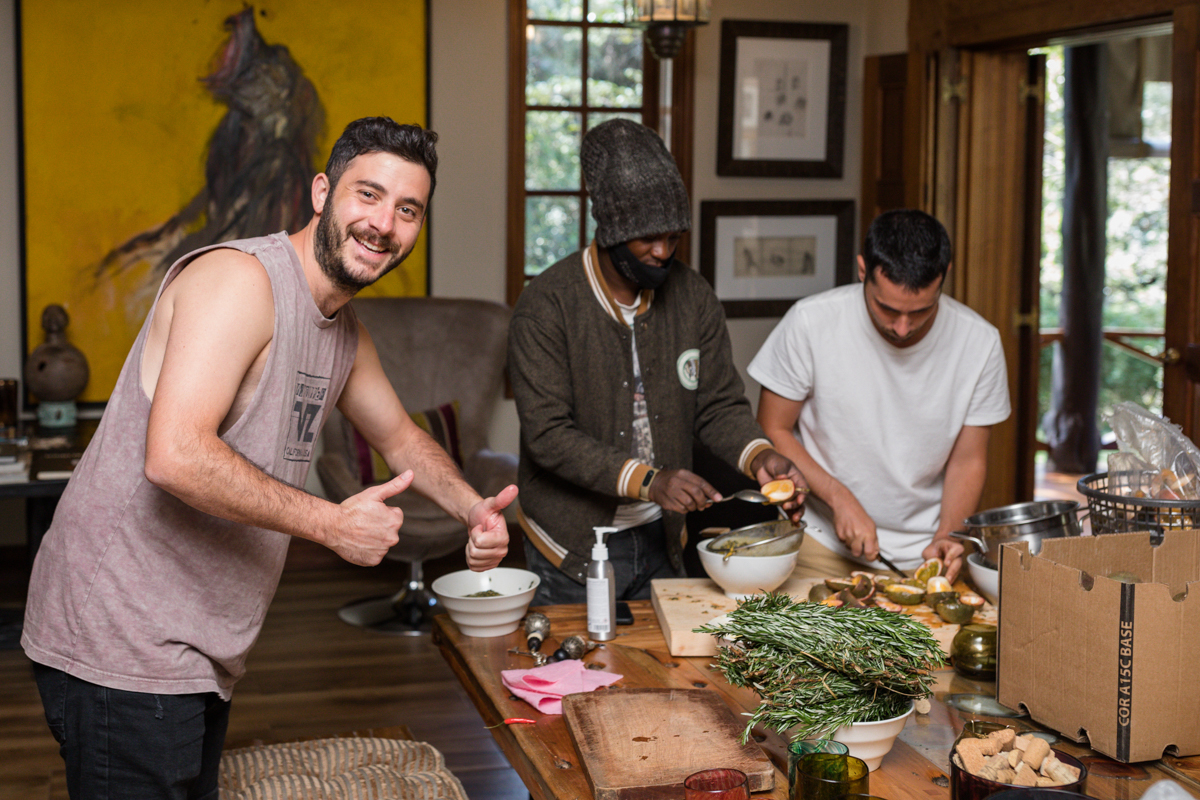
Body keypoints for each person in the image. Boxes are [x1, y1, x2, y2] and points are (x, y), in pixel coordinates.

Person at [21, 117, 516, 799]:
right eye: (367, 195)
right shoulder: (240, 283)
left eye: (408, 209)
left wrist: (472, 510)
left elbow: (401, 438)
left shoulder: (344, 334)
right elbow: (174, 455)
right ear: (322, 192)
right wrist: (331, 524)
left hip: (200, 645)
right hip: (122, 638)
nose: (384, 224)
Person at [508, 119, 806, 605]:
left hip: (662, 540)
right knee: (573, 676)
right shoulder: (547, 306)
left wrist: (760, 456)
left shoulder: (692, 298)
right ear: (609, 228)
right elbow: (548, 436)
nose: (663, 251)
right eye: (647, 238)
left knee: (667, 676)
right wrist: (650, 480)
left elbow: (719, 407)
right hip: (572, 548)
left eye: (673, 236)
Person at [748, 209, 1010, 582]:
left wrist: (948, 536)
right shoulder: (810, 322)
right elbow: (773, 430)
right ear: (862, 270)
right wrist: (838, 498)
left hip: (922, 556)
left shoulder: (980, 343)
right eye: (887, 308)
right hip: (818, 545)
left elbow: (967, 461)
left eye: (921, 311)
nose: (902, 328)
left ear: (944, 277)